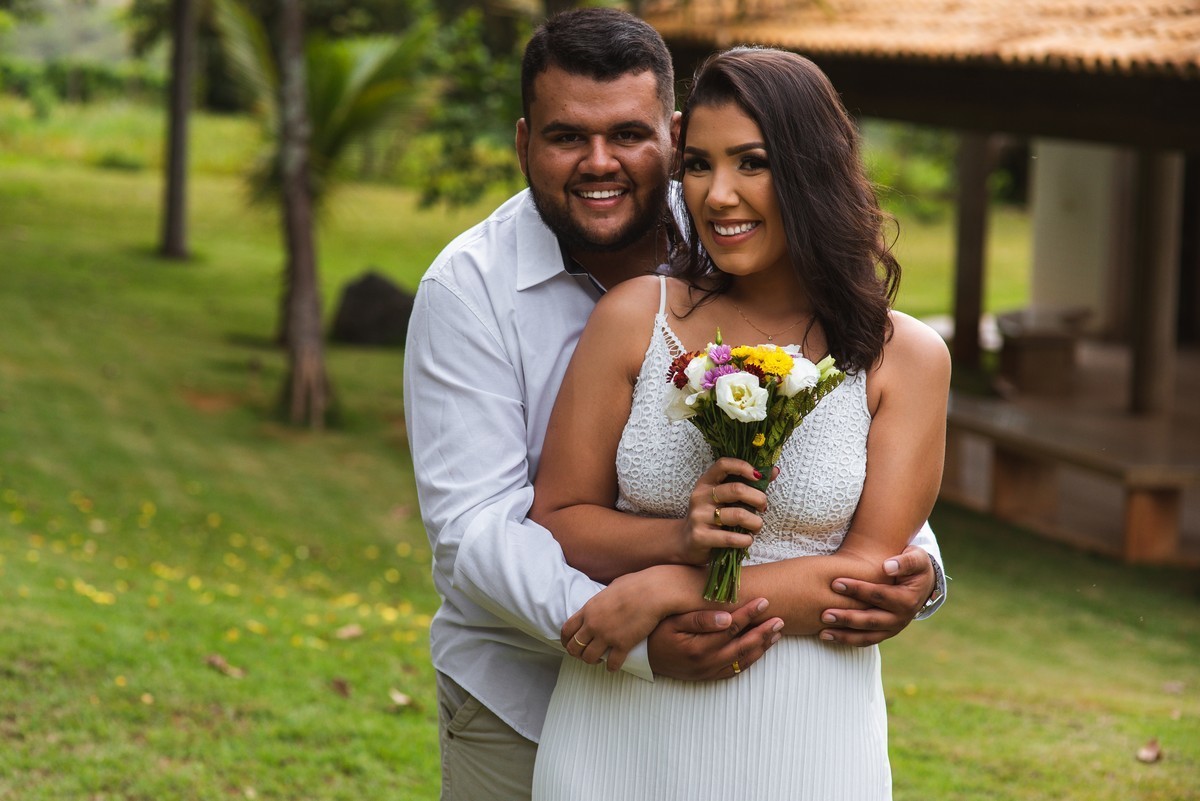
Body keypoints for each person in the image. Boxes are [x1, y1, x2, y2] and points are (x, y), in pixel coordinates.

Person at [403, 9, 947, 801]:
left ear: (671, 132)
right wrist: (639, 629)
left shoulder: (731, 226)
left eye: (629, 134)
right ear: (523, 142)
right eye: (565, 137)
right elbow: (477, 532)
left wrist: (917, 565)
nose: (600, 162)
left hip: (801, 718)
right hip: (528, 687)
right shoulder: (473, 291)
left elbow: (854, 487)